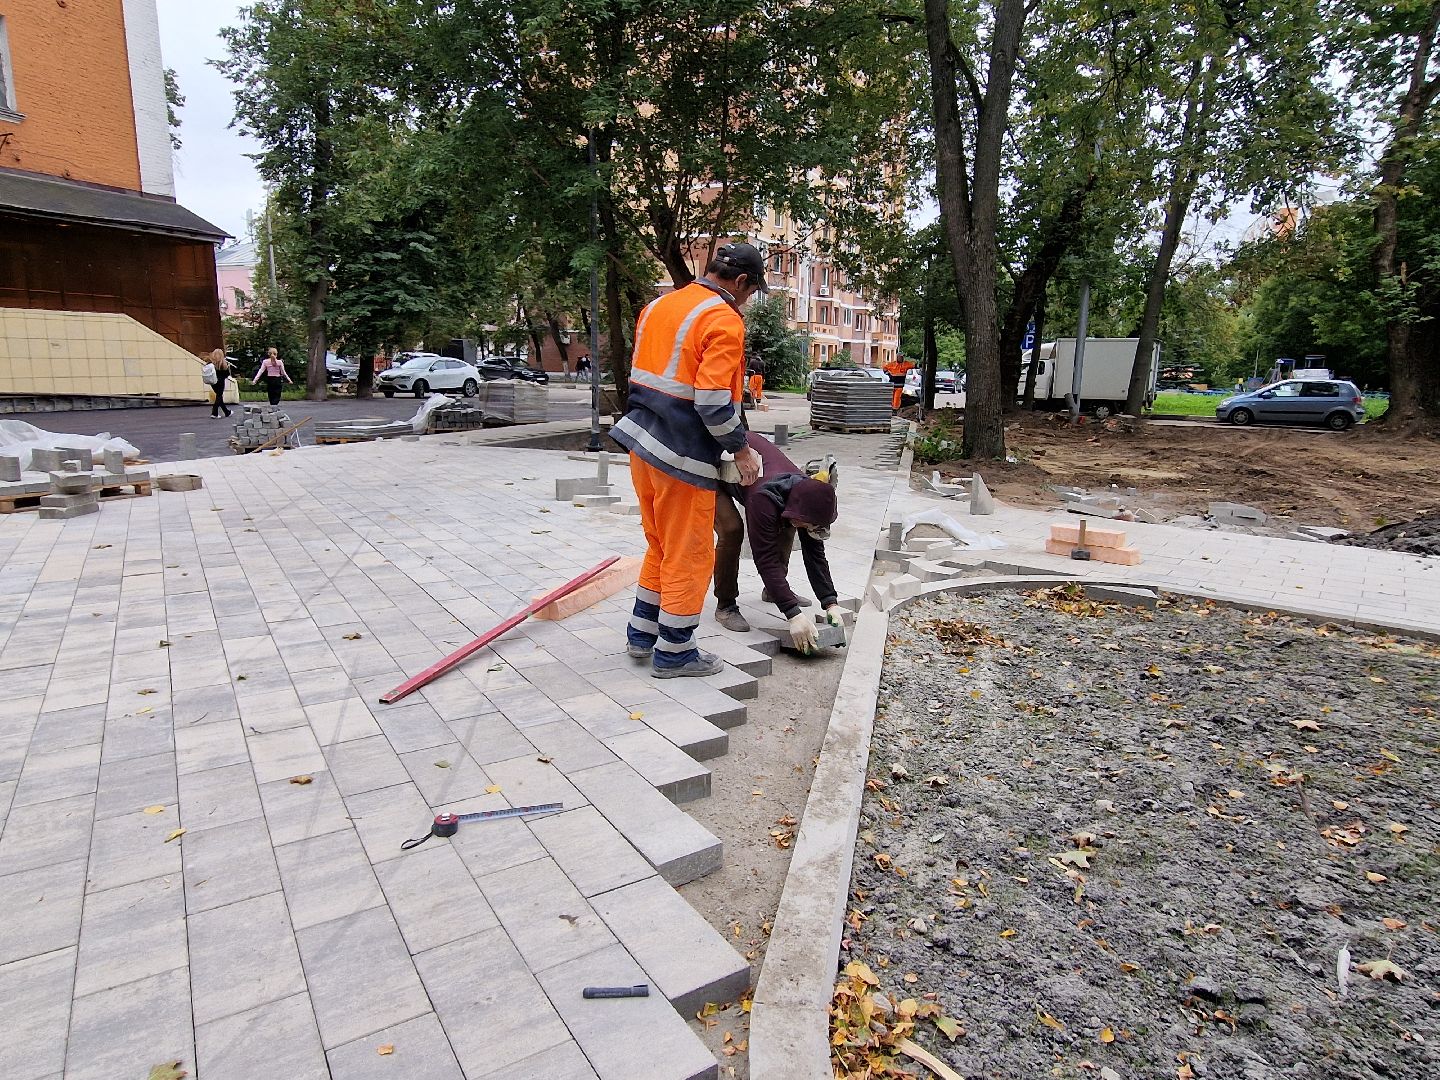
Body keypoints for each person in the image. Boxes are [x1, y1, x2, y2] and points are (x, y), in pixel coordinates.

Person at [611, 242, 767, 678]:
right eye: (752, 291)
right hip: (681, 454)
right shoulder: (723, 320)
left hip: (642, 445)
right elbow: (714, 403)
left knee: (660, 546)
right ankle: (676, 653)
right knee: (691, 554)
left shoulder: (660, 305)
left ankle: (641, 635)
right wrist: (742, 451)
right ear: (740, 283)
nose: (748, 300)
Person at [713, 431, 843, 652]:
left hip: (753, 472)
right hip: (711, 469)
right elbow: (765, 559)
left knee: (788, 526)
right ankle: (725, 605)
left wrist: (830, 603)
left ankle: (774, 591)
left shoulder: (806, 494)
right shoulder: (762, 500)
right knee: (732, 530)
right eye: (808, 525)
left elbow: (815, 553)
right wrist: (793, 614)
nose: (809, 530)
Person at [209, 349, 233, 418]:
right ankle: (214, 412)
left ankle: (226, 412)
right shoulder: (223, 363)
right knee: (219, 396)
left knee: (219, 397)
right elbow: (227, 374)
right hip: (221, 382)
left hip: (213, 382)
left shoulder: (211, 363)